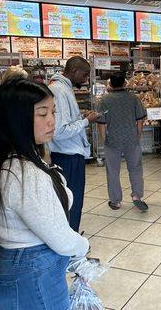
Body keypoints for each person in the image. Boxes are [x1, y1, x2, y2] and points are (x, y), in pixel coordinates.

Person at [0, 79, 89, 309]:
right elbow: (62, 240)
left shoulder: (7, 161)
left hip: (13, 266)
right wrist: (83, 247)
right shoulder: (25, 175)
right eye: (41, 114)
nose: (52, 120)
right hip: (32, 276)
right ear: (16, 119)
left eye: (53, 111)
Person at [48, 56, 100, 232]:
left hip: (69, 154)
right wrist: (86, 122)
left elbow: (65, 122)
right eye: (84, 75)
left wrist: (81, 117)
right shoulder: (59, 91)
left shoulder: (63, 89)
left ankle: (72, 241)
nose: (86, 79)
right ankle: (71, 249)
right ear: (74, 71)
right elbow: (59, 131)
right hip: (67, 157)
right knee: (72, 202)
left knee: (73, 201)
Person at [96, 72, 148, 211]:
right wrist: (137, 137)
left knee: (113, 171)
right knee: (136, 169)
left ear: (110, 84)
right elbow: (140, 121)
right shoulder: (134, 98)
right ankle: (137, 196)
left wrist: (104, 140)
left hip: (112, 140)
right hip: (131, 139)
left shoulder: (104, 100)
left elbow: (101, 123)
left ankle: (116, 201)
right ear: (125, 83)